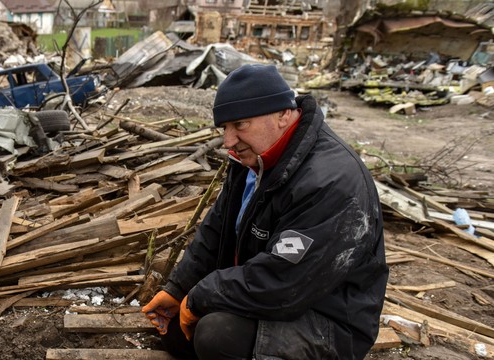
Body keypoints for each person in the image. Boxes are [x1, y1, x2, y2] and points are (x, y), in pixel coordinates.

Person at [141, 64, 388, 360]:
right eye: (224, 128)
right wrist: (178, 288)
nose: (229, 141)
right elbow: (217, 229)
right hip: (276, 296)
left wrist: (200, 297)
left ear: (283, 115)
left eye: (240, 124)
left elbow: (284, 279)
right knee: (174, 331)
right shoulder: (253, 160)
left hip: (326, 320)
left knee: (216, 335)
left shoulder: (331, 181)